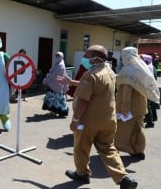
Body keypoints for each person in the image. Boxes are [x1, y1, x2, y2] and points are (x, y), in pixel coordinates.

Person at [58, 45, 138, 189]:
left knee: (81, 147)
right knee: (108, 149)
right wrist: (71, 82)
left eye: (87, 56)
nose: (84, 59)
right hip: (108, 121)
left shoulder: (90, 75)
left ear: (95, 58)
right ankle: (124, 179)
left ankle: (82, 174)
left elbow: (83, 99)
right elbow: (95, 86)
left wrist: (75, 121)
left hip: (88, 122)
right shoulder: (110, 72)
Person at [115, 47, 160, 160]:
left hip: (129, 108)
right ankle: (139, 151)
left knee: (122, 130)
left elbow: (126, 93)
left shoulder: (127, 70)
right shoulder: (141, 68)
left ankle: (124, 149)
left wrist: (124, 110)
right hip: (141, 106)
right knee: (138, 129)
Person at [42, 51, 69, 117]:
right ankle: (53, 112)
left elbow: (55, 75)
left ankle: (61, 112)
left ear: (62, 57)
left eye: (58, 56)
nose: (57, 57)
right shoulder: (57, 64)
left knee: (57, 100)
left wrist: (48, 76)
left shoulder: (61, 65)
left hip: (57, 85)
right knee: (53, 99)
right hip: (55, 85)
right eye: (56, 56)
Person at [140, 54, 159, 128]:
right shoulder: (152, 67)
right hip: (151, 87)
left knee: (147, 105)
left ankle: (150, 122)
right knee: (151, 104)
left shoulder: (147, 68)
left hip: (148, 88)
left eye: (142, 59)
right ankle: (153, 118)